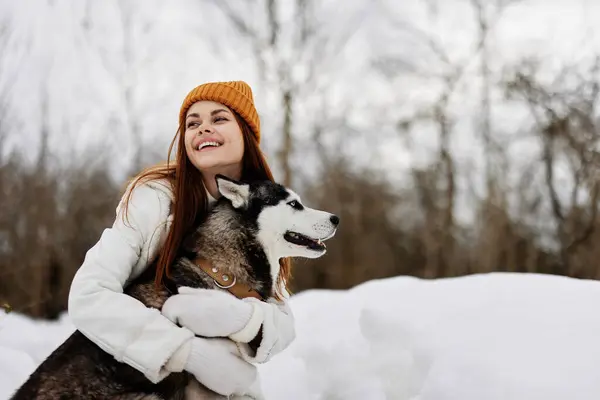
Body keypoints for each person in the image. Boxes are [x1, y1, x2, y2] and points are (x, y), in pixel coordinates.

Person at [67, 80, 296, 397]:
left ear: (246, 134)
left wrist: (241, 318)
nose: (203, 129)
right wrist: (188, 354)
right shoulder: (155, 198)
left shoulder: (265, 212)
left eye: (218, 119)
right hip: (122, 376)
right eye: (193, 123)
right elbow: (88, 295)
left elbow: (283, 323)